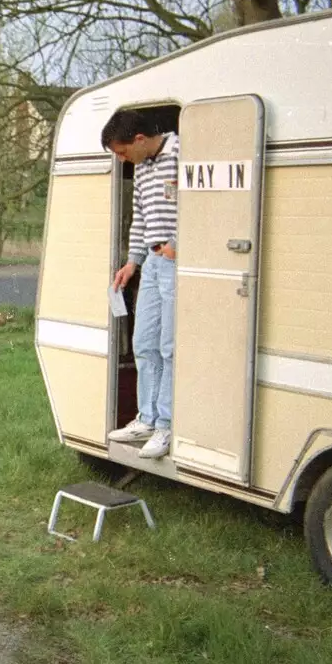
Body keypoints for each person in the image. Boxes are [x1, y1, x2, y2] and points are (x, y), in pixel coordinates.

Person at [104, 111, 181, 460]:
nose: (121, 160)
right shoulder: (143, 167)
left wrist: (178, 244)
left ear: (138, 139)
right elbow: (140, 217)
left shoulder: (181, 153)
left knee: (169, 346)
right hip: (151, 262)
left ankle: (166, 424)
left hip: (174, 261)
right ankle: (146, 418)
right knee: (144, 342)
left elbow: (206, 204)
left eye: (121, 152)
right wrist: (132, 262)